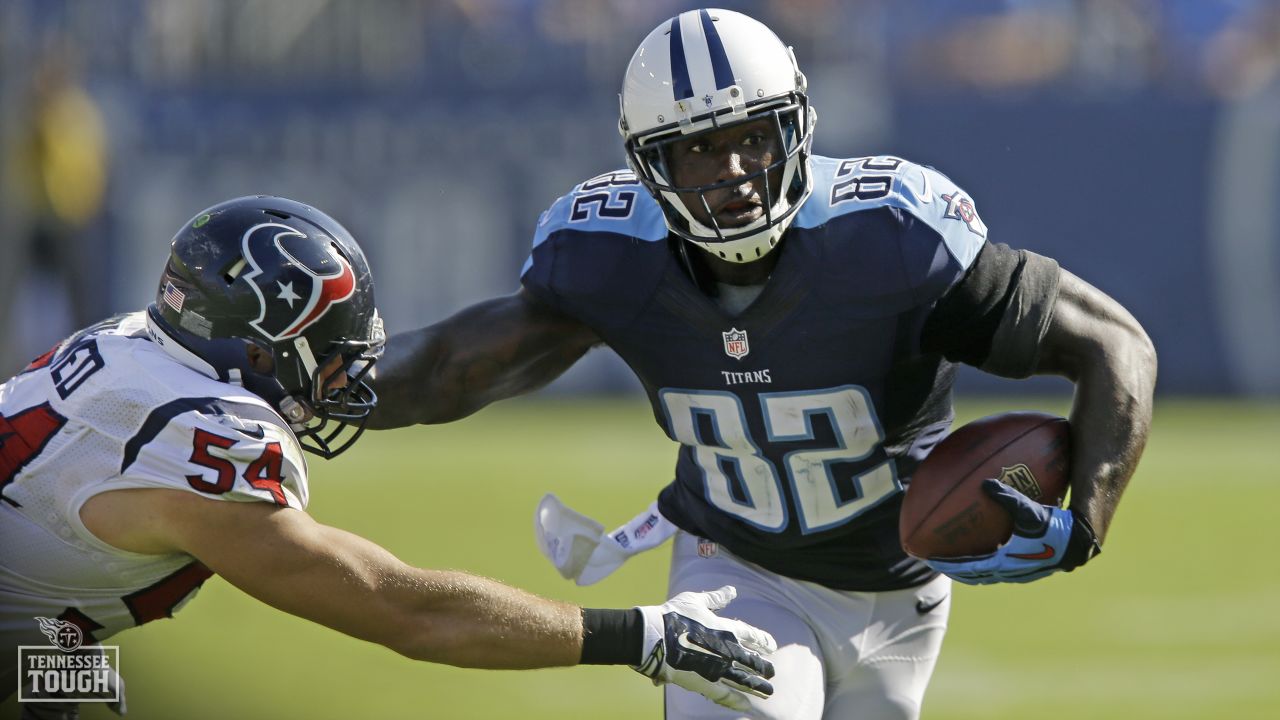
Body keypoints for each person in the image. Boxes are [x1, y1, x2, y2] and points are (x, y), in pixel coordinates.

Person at [368, 8, 1157, 720]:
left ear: (799, 126)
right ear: (649, 166)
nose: (736, 172)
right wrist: (322, 385)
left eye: (753, 136)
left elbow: (1115, 344)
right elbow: (449, 369)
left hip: (905, 592)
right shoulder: (613, 256)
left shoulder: (889, 238)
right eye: (699, 150)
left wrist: (1085, 519)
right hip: (737, 571)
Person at [0, 196, 778, 718]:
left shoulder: (131, 343)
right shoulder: (203, 438)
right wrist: (641, 635)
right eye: (329, 351)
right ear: (255, 350)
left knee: (79, 683)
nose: (348, 372)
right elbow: (400, 607)